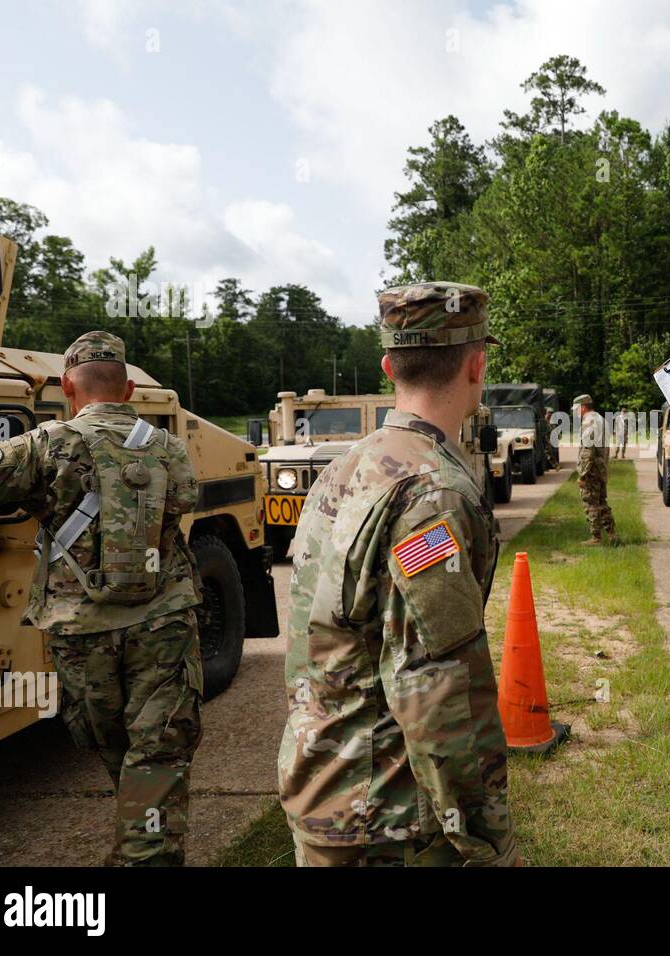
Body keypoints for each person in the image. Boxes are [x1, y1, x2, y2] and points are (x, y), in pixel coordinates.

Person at [278, 281, 519, 867]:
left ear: (389, 366)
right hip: (387, 824)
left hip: (319, 790)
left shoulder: (340, 472)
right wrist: (489, 843)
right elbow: (438, 693)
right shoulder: (433, 492)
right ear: (477, 364)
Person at [0, 331, 203, 865]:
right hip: (163, 621)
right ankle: (147, 840)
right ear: (129, 387)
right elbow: (183, 499)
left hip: (79, 630)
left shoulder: (43, 445)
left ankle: (142, 841)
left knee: (113, 744)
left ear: (68, 384)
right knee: (156, 750)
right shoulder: (168, 447)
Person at [573, 394, 615, 545]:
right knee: (602, 502)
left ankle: (596, 537)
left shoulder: (589, 421)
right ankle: (612, 534)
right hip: (601, 468)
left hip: (591, 470)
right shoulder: (601, 419)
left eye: (577, 409)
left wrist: (583, 475)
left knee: (590, 503)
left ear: (583, 407)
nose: (576, 412)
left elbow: (587, 450)